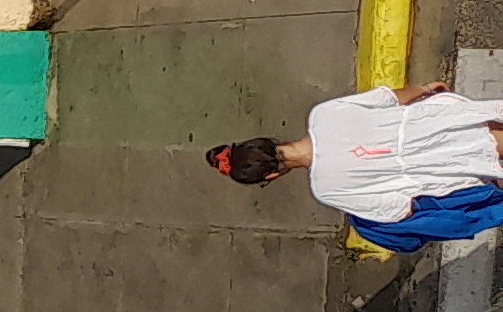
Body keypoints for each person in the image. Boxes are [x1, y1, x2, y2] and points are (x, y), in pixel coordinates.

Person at [209, 80, 503, 248]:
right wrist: (425, 87)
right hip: (440, 123)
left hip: (450, 169)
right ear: (266, 140)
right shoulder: (323, 114)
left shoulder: (325, 190)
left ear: (271, 176)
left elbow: (400, 208)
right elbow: (390, 98)